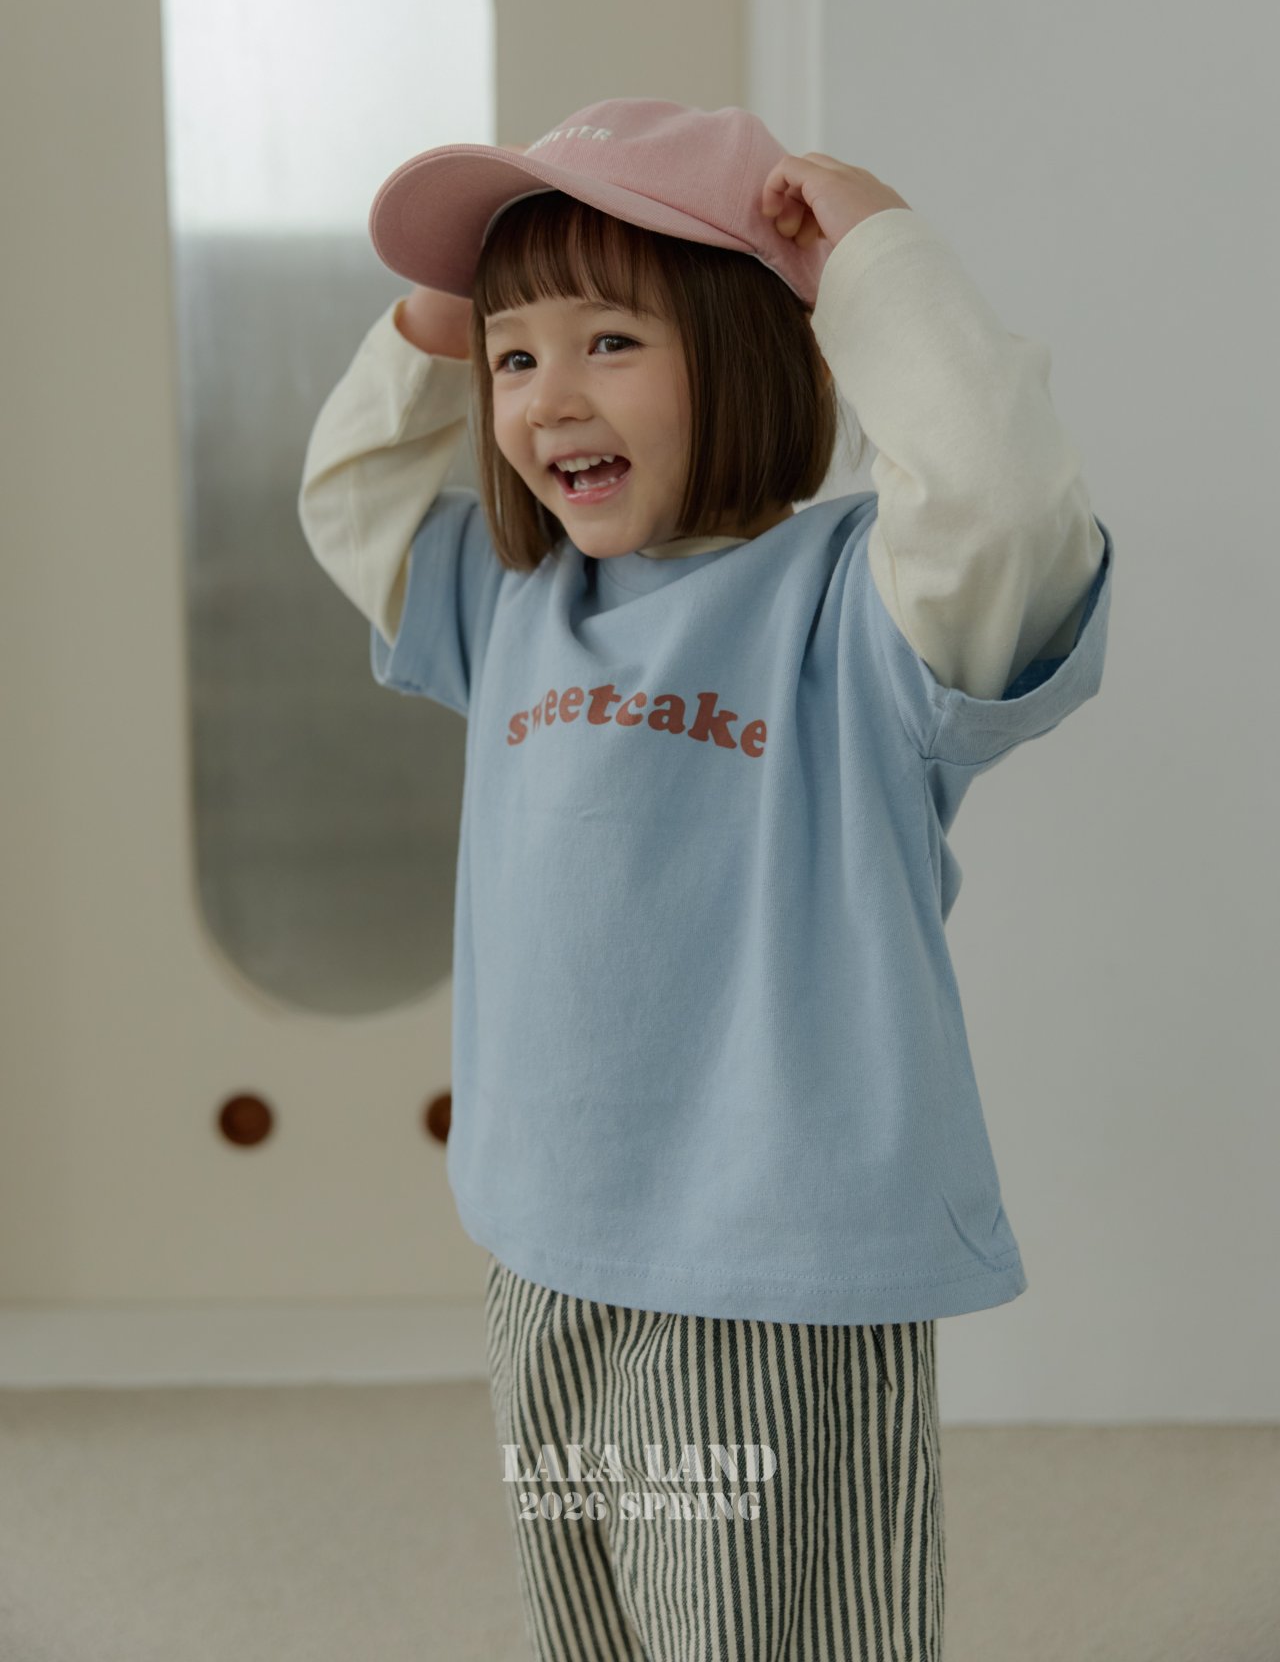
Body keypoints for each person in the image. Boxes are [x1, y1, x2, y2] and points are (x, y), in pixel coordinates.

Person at [297, 98, 1114, 1662]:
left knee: (766, 1631)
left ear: (746, 349)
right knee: (593, 1619)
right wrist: (424, 327)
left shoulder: (860, 606)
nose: (548, 396)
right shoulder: (515, 600)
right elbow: (352, 500)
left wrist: (873, 262)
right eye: (514, 357)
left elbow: (1004, 501)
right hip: (545, 1240)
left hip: (772, 1266)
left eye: (610, 341)